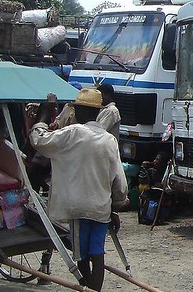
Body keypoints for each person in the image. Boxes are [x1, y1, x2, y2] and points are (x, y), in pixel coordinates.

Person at [29, 89, 128, 291]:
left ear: (80, 112)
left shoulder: (73, 133)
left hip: (78, 206)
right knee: (97, 253)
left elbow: (40, 141)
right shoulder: (109, 140)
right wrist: (115, 205)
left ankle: (87, 289)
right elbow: (120, 183)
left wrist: (41, 119)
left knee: (81, 254)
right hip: (101, 207)